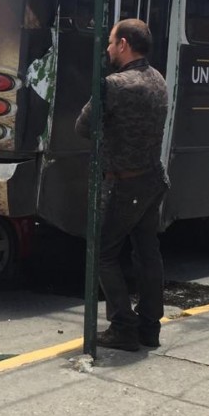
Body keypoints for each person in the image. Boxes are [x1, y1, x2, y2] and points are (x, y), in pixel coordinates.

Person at [75, 18, 169, 352]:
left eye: (112, 43)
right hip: (152, 180)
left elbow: (83, 127)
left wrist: (100, 86)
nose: (108, 49)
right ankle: (149, 327)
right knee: (147, 254)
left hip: (124, 185)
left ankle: (123, 327)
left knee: (103, 253)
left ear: (125, 44)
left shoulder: (114, 85)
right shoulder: (158, 79)